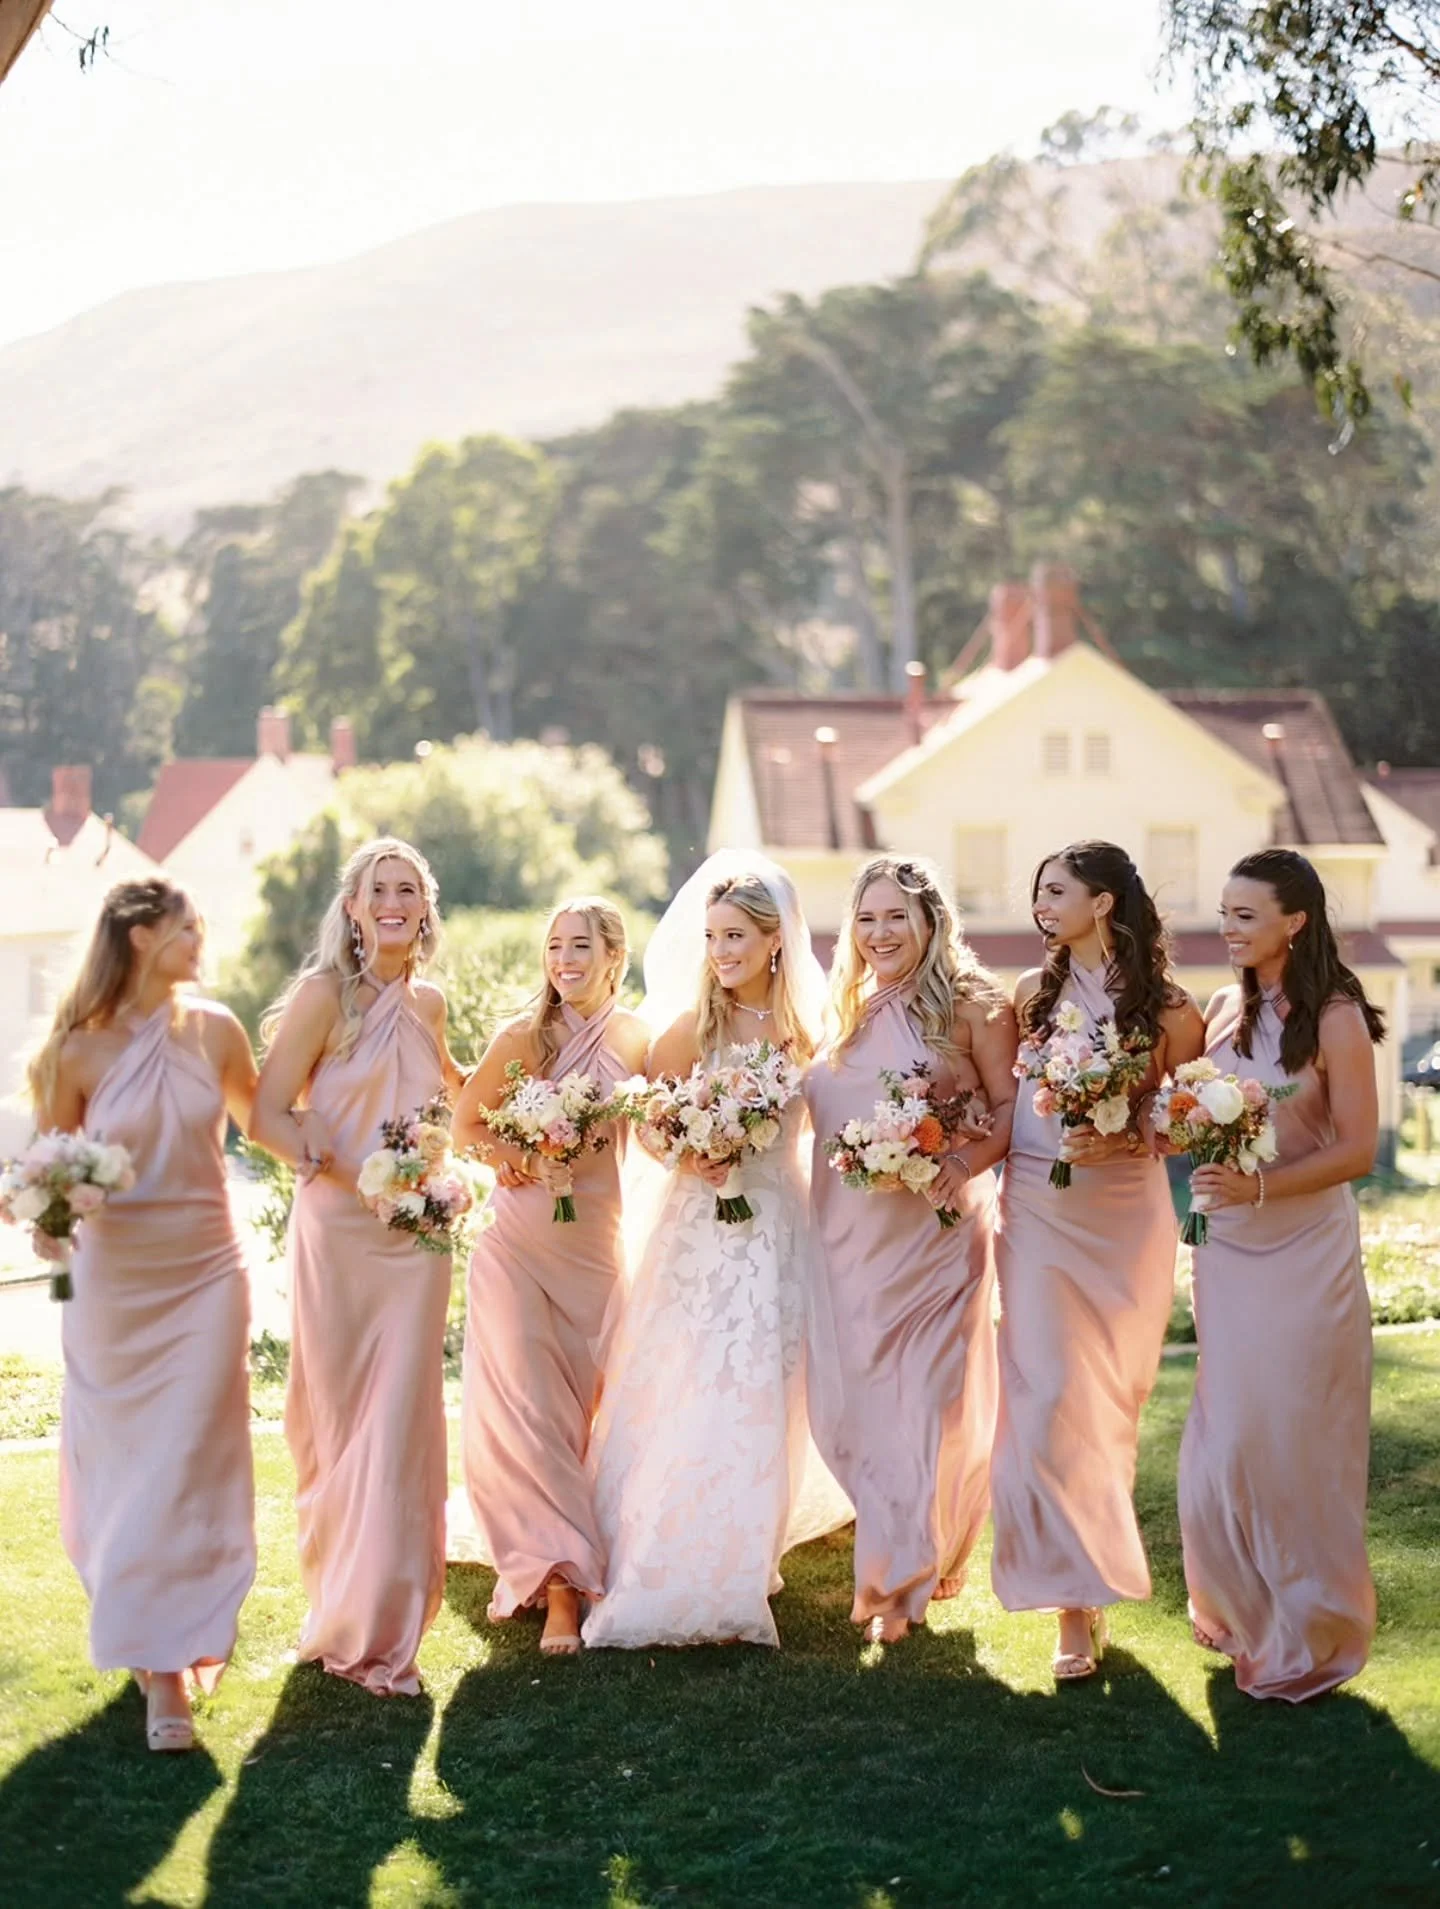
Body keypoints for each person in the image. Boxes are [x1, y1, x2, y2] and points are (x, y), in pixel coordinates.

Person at [582, 853, 849, 1649]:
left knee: (767, 1391)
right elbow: (649, 1123)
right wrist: (691, 1152)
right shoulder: (689, 1028)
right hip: (699, 1235)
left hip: (778, 1230)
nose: (720, 951)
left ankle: (744, 1553)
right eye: (711, 936)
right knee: (691, 1380)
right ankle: (668, 1549)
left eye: (735, 935)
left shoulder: (808, 1033)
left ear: (776, 941)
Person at [29, 879, 258, 1751]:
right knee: (129, 1470)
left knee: (191, 1460)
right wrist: (46, 1215)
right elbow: (50, 1168)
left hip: (207, 1273)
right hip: (114, 1288)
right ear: (137, 938)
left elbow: (268, 1120)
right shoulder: (76, 1052)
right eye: (185, 927)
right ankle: (156, 1649)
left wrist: (384, 1145)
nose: (201, 937)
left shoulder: (217, 1029)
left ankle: (168, 1666)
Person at [252, 838, 463, 1695]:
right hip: (338, 1232)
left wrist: (533, 1121)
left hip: (415, 1242)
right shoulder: (322, 998)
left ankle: (387, 1630)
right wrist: (322, 1161)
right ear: (353, 906)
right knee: (337, 1421)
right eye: (377, 887)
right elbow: (267, 1112)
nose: (391, 900)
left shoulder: (432, 1003)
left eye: (406, 887)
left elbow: (457, 1101)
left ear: (424, 906)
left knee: (402, 1420)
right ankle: (339, 1609)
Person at [990, 840, 1204, 1679]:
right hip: (1039, 1206)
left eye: (1056, 889)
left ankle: (1095, 1578)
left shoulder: (1173, 1008)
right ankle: (1071, 1606)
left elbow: (1190, 1116)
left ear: (1105, 901)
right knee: (1046, 1394)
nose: (1042, 903)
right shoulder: (1028, 996)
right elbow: (1009, 1105)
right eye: (1038, 890)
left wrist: (1130, 1129)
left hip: (1126, 1215)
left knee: (1110, 1399)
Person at [1177, 848, 1384, 1700]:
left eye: (1245, 915)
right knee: (1226, 1443)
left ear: (1294, 921)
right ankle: (1240, 1607)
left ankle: (1316, 1628)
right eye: (1223, 913)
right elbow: (1193, 1104)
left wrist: (1260, 1183)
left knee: (1292, 1443)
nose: (1228, 929)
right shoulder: (1225, 1007)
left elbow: (1358, 1149)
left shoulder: (1335, 1015)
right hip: (1230, 1253)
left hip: (1304, 1258)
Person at [806, 855, 1016, 1644]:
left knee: (920, 1407)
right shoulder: (845, 1009)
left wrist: (957, 1161)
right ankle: (917, 1544)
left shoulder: (974, 1006)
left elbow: (1007, 1111)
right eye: (866, 917)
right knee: (851, 1413)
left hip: (934, 1238)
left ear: (931, 921)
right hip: (844, 1242)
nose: (880, 932)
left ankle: (896, 1586)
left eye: (896, 916)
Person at [454, 898, 649, 1656]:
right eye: (554, 946)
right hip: (517, 1251)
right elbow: (468, 1127)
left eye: (579, 946)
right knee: (532, 1413)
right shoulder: (523, 1036)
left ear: (612, 956)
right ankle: (561, 1587)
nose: (564, 959)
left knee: (584, 1420)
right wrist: (530, 1158)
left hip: (597, 1252)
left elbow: (662, 1124)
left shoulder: (637, 1039)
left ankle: (591, 1545)